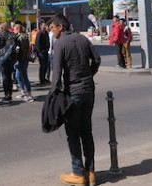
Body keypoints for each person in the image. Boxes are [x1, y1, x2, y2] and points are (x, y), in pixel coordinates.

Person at [48, 13, 101, 186]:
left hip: (73, 92)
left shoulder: (60, 44)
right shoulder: (83, 39)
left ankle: (78, 174)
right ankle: (90, 173)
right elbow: (97, 59)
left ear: (60, 27)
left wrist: (53, 94)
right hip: (89, 90)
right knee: (87, 131)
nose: (51, 30)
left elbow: (56, 74)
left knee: (73, 134)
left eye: (52, 27)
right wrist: (89, 74)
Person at [13, 21, 34, 102]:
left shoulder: (21, 37)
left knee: (24, 76)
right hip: (20, 59)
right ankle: (23, 92)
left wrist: (17, 53)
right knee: (18, 76)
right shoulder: (19, 36)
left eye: (14, 28)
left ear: (18, 29)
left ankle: (29, 94)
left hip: (22, 59)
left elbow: (23, 50)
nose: (13, 30)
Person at [34, 20, 51, 85]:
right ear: (41, 26)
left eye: (45, 25)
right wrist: (40, 50)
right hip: (41, 52)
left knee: (46, 66)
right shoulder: (39, 33)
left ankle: (44, 79)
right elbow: (37, 42)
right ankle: (42, 80)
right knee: (43, 66)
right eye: (44, 25)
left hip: (46, 51)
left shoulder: (46, 33)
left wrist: (48, 47)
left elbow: (48, 41)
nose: (45, 26)